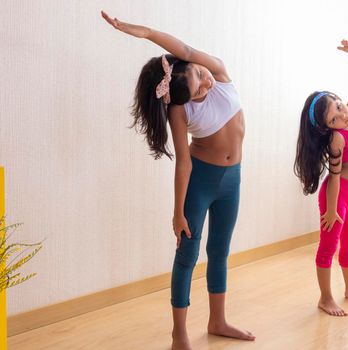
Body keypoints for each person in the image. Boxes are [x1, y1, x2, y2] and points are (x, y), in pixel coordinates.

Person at [101, 11, 254, 350]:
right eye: (198, 91)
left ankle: (217, 320)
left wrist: (146, 32)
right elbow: (183, 162)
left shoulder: (217, 70)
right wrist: (178, 212)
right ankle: (179, 334)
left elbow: (183, 47)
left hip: (233, 180)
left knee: (219, 251)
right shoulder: (179, 108)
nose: (205, 85)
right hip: (201, 181)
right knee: (187, 253)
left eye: (199, 76)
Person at [294, 40, 348, 317]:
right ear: (327, 128)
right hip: (337, 195)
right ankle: (325, 297)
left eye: (339, 107)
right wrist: (331, 209)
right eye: (334, 118)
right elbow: (333, 178)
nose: (342, 115)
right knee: (329, 245)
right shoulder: (338, 139)